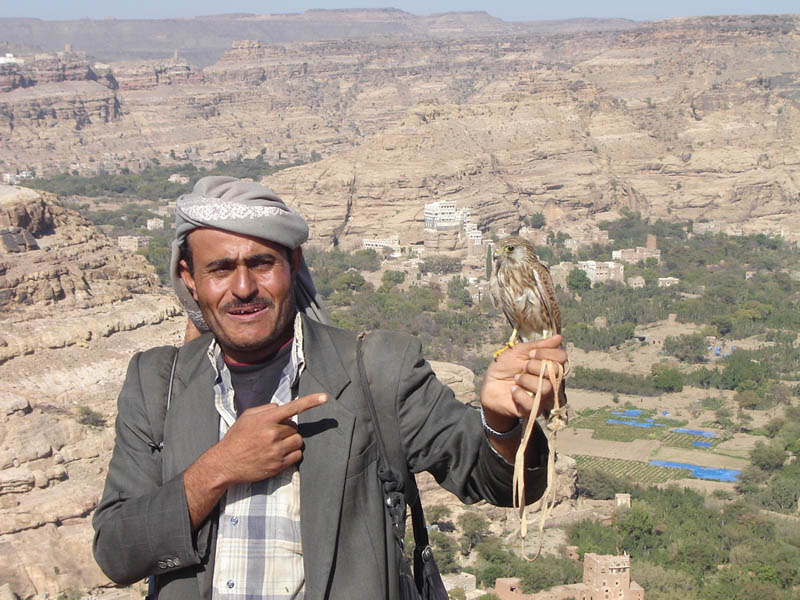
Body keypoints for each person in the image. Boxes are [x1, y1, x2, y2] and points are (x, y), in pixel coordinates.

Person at [92, 176, 567, 600]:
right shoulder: (157, 384)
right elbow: (117, 552)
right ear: (189, 279)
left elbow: (499, 482)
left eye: (261, 264)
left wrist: (502, 422)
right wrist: (218, 469)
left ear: (293, 263)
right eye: (219, 269)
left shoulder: (374, 369)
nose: (242, 288)